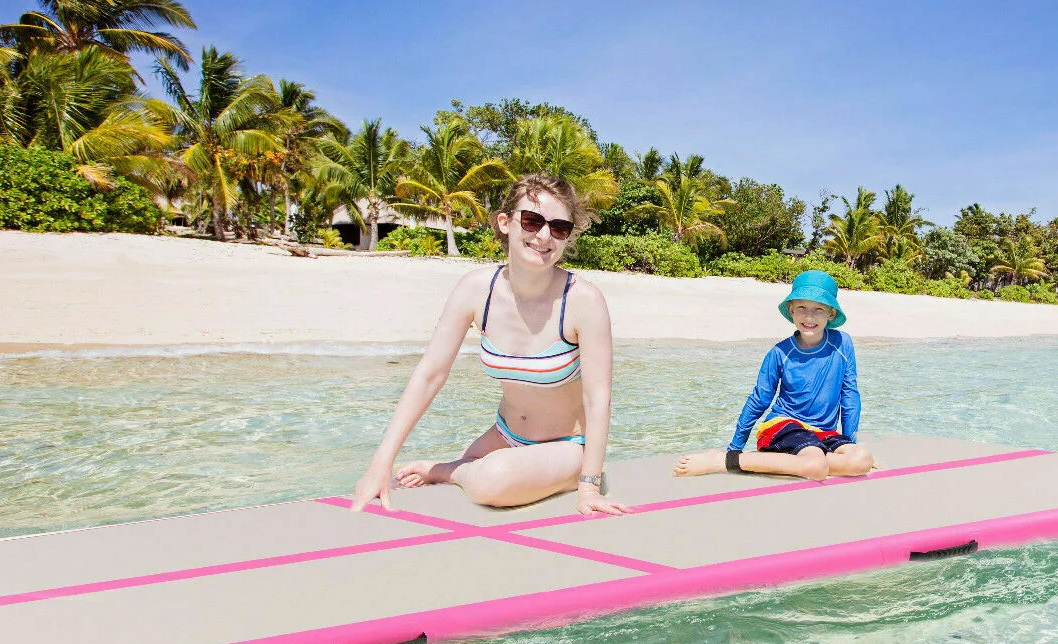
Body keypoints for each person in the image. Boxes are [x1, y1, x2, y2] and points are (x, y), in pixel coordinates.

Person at [350, 173, 629, 515]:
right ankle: (455, 469)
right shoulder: (475, 290)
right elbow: (430, 375)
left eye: (559, 227)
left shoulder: (583, 301)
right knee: (477, 475)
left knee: (489, 481)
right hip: (503, 434)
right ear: (505, 223)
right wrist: (381, 461)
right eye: (532, 220)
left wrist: (589, 485)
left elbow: (598, 399)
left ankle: (446, 469)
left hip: (568, 446)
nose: (544, 235)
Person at [674, 270, 875, 481]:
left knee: (862, 459)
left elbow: (850, 394)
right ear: (791, 310)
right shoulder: (779, 353)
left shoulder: (843, 344)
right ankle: (723, 461)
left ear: (831, 314)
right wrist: (734, 447)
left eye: (818, 309)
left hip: (823, 433)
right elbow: (759, 400)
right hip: (784, 426)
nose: (809, 316)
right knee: (816, 465)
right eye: (802, 308)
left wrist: (848, 445)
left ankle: (790, 461)